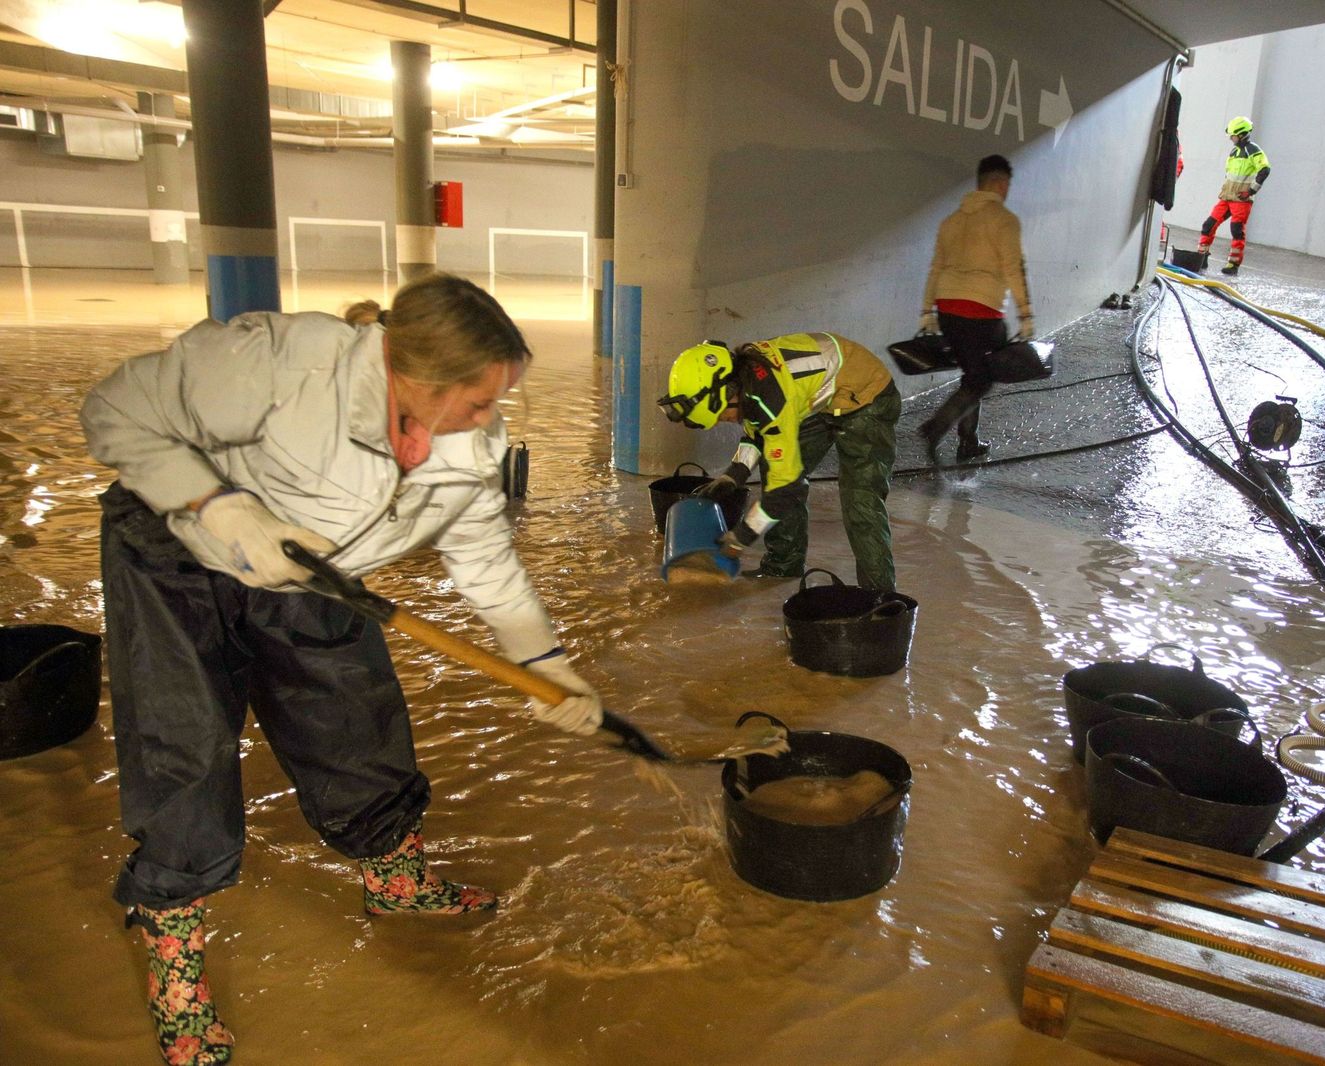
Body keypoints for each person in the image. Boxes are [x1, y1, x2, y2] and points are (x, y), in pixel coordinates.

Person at [79, 273, 604, 1065]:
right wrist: (215, 504)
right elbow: (113, 410)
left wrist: (546, 661)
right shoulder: (287, 363)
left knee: (354, 715)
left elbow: (483, 554)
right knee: (183, 749)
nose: (490, 422)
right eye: (479, 401)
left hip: (311, 563)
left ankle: (396, 883)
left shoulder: (466, 440)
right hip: (172, 551)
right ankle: (175, 960)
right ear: (414, 380)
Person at [656, 333, 900, 590]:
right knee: (776, 469)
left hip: (866, 394)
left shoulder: (769, 397)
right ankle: (783, 566)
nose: (722, 421)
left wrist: (742, 537)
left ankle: (880, 597)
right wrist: (732, 476)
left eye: (719, 416)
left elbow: (785, 487)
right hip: (821, 399)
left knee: (860, 501)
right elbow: (757, 433)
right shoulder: (744, 378)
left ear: (727, 394)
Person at [916, 153, 1033, 464]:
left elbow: (935, 268)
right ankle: (937, 426)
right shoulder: (1005, 220)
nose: (1007, 190)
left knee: (975, 372)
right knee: (982, 377)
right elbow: (1014, 269)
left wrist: (927, 312)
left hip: (948, 311)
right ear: (997, 183)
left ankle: (968, 442)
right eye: (1006, 184)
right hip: (981, 312)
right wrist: (1026, 314)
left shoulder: (950, 221)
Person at [1197, 116, 1270, 276]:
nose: (1231, 138)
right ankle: (1201, 257)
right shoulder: (1234, 151)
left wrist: (1251, 191)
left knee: (1237, 230)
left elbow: (1264, 170)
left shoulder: (1254, 151)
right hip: (1227, 197)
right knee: (1208, 225)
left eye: (1233, 135)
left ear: (1242, 134)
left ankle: (1233, 264)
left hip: (1241, 199)